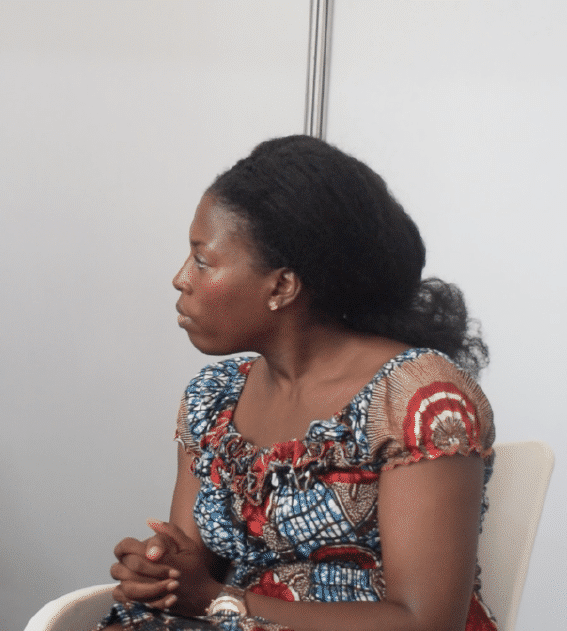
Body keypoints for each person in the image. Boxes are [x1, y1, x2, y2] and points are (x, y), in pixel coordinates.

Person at [100, 135, 497, 631]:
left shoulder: (419, 402)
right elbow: (194, 567)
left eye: (202, 261)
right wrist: (161, 572)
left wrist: (220, 601)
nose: (181, 279)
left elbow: (426, 622)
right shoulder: (213, 399)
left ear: (282, 286)